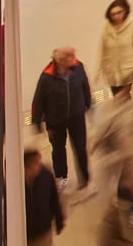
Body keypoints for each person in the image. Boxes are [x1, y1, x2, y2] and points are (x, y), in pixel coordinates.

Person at [30, 47, 92, 192]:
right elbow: (38, 101)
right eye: (69, 57)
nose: (73, 59)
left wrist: (88, 104)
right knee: (58, 151)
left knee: (80, 148)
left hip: (76, 116)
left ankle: (85, 179)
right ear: (59, 60)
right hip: (55, 121)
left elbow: (85, 85)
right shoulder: (46, 77)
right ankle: (62, 178)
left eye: (73, 55)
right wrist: (37, 124)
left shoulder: (78, 67)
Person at [24, 145, 63, 246]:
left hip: (42, 233)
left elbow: (54, 199)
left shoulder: (45, 175)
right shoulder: (13, 183)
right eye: (35, 164)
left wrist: (59, 220)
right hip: (22, 237)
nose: (39, 167)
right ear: (26, 166)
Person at [99, 0, 133, 102]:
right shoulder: (107, 27)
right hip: (112, 73)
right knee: (118, 99)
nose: (117, 16)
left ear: (125, 10)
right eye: (113, 14)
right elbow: (103, 50)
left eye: (119, 12)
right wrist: (102, 70)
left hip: (129, 71)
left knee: (125, 98)